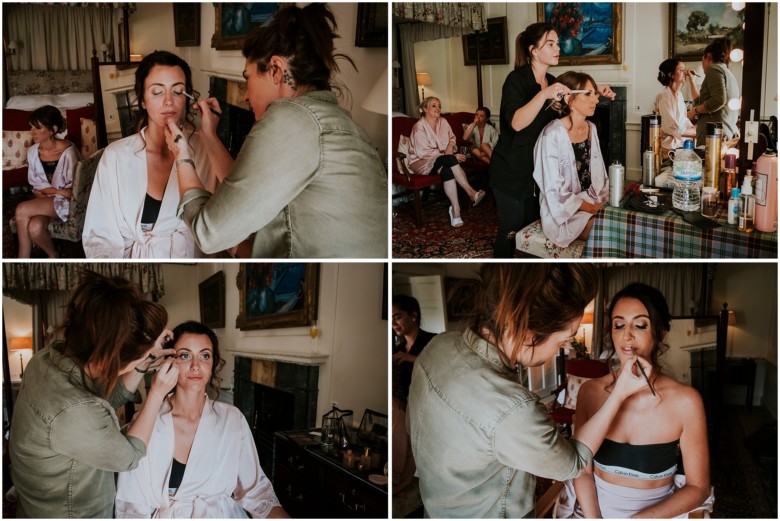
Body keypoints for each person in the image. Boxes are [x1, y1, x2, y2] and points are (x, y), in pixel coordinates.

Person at [406, 264, 655, 518]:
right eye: (564, 340)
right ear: (529, 333)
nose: (565, 347)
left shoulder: (438, 346)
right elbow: (574, 463)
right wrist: (620, 393)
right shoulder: (513, 410)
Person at [164, 4, 387, 258]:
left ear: (276, 70)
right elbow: (243, 196)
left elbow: (208, 233)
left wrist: (182, 156)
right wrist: (209, 136)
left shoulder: (290, 117)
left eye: (247, 78)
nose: (245, 96)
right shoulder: (341, 125)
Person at [9, 271, 179, 518]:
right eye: (134, 359)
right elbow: (129, 457)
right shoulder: (74, 411)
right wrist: (157, 393)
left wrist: (145, 357)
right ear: (115, 359)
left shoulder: (47, 357)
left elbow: (103, 403)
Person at [562, 283, 712, 518]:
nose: (627, 335)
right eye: (618, 325)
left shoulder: (686, 402)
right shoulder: (589, 393)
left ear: (660, 332)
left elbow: (698, 487)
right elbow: (582, 469)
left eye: (640, 325)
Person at [115, 321, 288, 518]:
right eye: (185, 355)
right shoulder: (147, 422)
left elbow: (257, 493)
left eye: (204, 356)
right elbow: (131, 506)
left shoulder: (232, 419)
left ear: (213, 364)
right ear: (168, 361)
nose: (196, 366)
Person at [489, 23, 615, 258]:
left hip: (537, 174)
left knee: (530, 225)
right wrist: (544, 94)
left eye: (557, 43)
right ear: (533, 50)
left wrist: (597, 90)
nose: (558, 48)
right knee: (511, 231)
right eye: (550, 43)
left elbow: (574, 96)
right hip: (511, 173)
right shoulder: (516, 80)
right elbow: (516, 122)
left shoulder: (552, 80)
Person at [83, 51, 219, 258]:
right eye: (157, 92)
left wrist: (210, 137)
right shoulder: (115, 157)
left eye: (178, 91)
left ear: (188, 98)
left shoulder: (204, 149)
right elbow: (99, 237)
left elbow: (224, 218)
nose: (169, 101)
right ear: (143, 101)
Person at [534, 72, 609, 248]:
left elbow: (599, 175)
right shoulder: (551, 134)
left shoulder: (592, 128)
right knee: (607, 230)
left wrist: (603, 204)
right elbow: (553, 190)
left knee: (623, 222)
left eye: (595, 94)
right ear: (569, 98)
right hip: (562, 213)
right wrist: (592, 209)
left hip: (591, 199)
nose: (596, 100)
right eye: (588, 94)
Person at [405, 96, 486, 227]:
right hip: (421, 162)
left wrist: (449, 147)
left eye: (439, 105)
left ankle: (455, 211)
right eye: (433, 106)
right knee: (449, 160)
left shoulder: (443, 121)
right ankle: (471, 192)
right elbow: (422, 153)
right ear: (425, 109)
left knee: (447, 169)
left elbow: (452, 138)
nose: (438, 108)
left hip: (441, 160)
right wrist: (450, 156)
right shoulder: (418, 127)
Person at [14, 105, 80, 258]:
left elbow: (72, 191)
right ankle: (53, 255)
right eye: (31, 127)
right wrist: (56, 191)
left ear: (53, 129)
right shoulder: (32, 152)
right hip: (44, 200)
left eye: (37, 128)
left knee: (21, 209)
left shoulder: (69, 152)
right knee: (35, 228)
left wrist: (51, 192)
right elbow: (36, 184)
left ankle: (21, 259)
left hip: (66, 203)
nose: (31, 132)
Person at [391, 294, 436, 494]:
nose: (394, 322)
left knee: (415, 446)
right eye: (391, 318)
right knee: (405, 443)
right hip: (401, 404)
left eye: (397, 316)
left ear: (413, 316)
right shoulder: (397, 347)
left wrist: (410, 358)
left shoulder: (432, 341)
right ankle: (399, 481)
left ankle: (399, 479)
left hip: (424, 404)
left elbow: (439, 367)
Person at [686, 38, 739, 146]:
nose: (703, 66)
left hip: (713, 136)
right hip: (723, 134)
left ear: (709, 56)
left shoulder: (714, 69)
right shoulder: (727, 72)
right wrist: (692, 81)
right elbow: (702, 103)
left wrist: (694, 111)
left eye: (702, 62)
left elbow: (718, 100)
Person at [654, 58, 699, 152]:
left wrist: (693, 128)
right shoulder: (664, 96)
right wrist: (697, 131)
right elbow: (672, 128)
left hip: (683, 142)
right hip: (671, 145)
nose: (686, 72)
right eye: (681, 70)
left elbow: (684, 120)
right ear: (671, 75)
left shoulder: (679, 95)